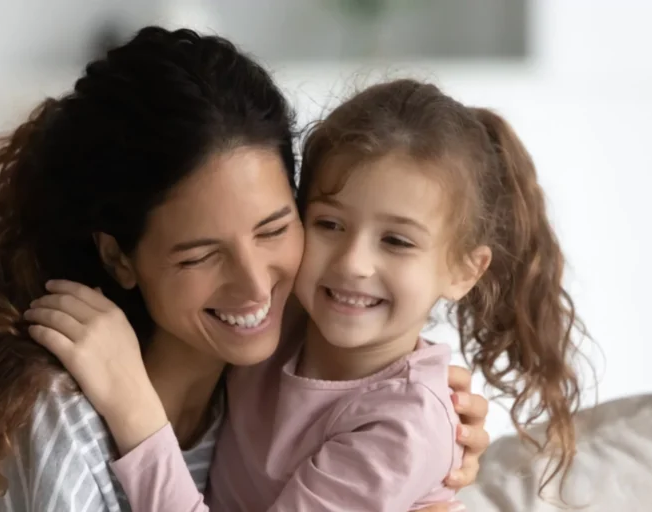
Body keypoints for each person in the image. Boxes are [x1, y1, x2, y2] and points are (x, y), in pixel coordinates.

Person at [0, 27, 489, 512]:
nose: (254, 288)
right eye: (200, 254)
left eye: (272, 229)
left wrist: (433, 439)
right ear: (119, 257)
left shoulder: (280, 363)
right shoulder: (64, 422)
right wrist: (134, 408)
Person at [29, 78, 587, 510]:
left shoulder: (403, 425)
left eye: (396, 240)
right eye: (328, 224)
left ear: (466, 271)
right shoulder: (280, 316)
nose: (352, 265)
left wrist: (135, 413)